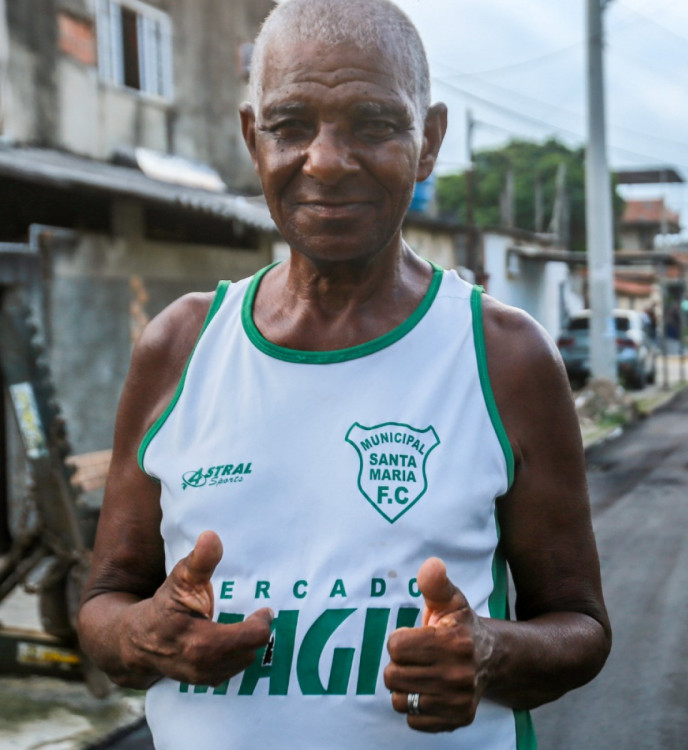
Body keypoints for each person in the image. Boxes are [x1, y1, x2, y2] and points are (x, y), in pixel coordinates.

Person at [76, 2, 610, 747]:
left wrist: (488, 652)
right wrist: (145, 638)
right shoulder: (179, 346)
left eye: (374, 123)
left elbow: (580, 625)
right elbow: (104, 604)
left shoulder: (507, 357)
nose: (326, 160)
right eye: (291, 124)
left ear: (429, 143)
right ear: (250, 139)